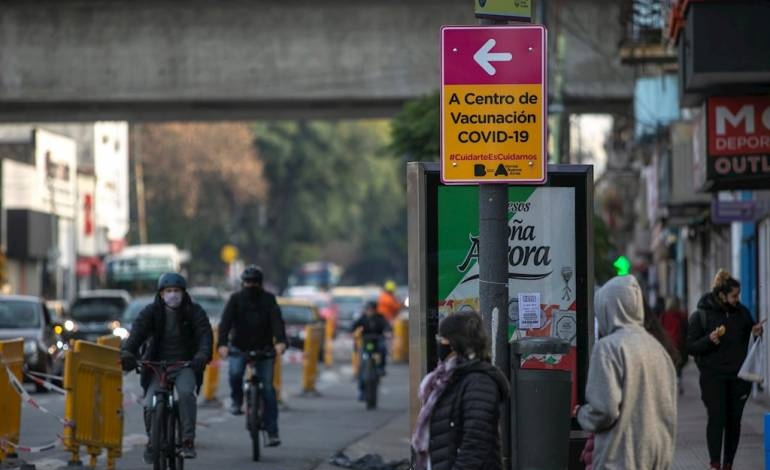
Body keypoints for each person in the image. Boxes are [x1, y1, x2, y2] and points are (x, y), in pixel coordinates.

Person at [576, 275, 677, 470]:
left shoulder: (608, 348)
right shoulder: (658, 349)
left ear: (608, 308)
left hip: (619, 459)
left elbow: (603, 411)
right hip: (655, 459)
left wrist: (581, 413)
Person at [120, 272, 213, 461]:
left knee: (187, 394)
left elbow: (205, 335)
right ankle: (153, 441)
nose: (173, 294)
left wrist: (202, 355)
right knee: (149, 404)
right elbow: (136, 334)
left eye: (176, 290)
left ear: (183, 293)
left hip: (185, 364)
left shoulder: (195, 312)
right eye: (168, 291)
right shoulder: (151, 312)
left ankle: (187, 440)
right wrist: (128, 353)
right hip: (156, 366)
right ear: (161, 294)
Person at [411, 310, 510, 470]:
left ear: (455, 343)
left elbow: (476, 444)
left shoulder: (479, 382)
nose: (439, 342)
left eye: (442, 338)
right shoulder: (446, 379)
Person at [686, 269, 764, 470]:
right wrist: (708, 340)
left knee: (734, 421)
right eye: (734, 296)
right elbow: (690, 346)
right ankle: (714, 464)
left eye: (738, 296)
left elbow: (749, 334)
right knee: (717, 418)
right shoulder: (701, 315)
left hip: (738, 378)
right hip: (712, 377)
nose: (737, 300)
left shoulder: (742, 312)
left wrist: (755, 332)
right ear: (722, 295)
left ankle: (728, 463)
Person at [217, 265, 286, 447]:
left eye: (254, 282)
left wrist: (280, 342)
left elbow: (277, 322)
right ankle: (237, 401)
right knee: (235, 373)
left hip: (264, 349)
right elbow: (225, 323)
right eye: (247, 282)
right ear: (243, 283)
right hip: (239, 347)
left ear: (260, 283)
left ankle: (272, 432)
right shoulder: (235, 300)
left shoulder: (269, 300)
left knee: (269, 391)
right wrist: (222, 344)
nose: (250, 285)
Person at [351, 301, 391, 399]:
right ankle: (361, 392)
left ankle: (381, 368)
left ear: (374, 310)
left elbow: (387, 326)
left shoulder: (380, 318)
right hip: (365, 343)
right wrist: (354, 332)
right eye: (367, 309)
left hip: (377, 342)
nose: (369, 311)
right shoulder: (362, 318)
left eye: (371, 310)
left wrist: (387, 332)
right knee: (362, 368)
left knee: (383, 349)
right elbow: (353, 327)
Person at [659, 296, 689, 394]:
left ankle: (670, 384)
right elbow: (687, 331)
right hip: (680, 345)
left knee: (669, 364)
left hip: (667, 345)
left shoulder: (664, 316)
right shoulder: (682, 316)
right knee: (679, 365)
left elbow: (660, 330)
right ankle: (678, 382)